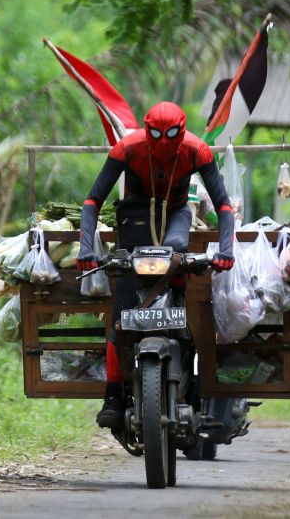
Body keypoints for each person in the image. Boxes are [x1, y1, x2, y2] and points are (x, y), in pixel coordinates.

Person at [77, 101, 235, 428]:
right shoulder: (127, 149)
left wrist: (226, 249)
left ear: (183, 130)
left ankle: (191, 382)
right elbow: (92, 201)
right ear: (146, 130)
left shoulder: (197, 151)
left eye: (172, 134)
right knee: (120, 313)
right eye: (157, 134)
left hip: (176, 214)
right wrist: (86, 248)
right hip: (134, 217)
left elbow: (224, 205)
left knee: (178, 250)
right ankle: (113, 394)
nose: (164, 142)